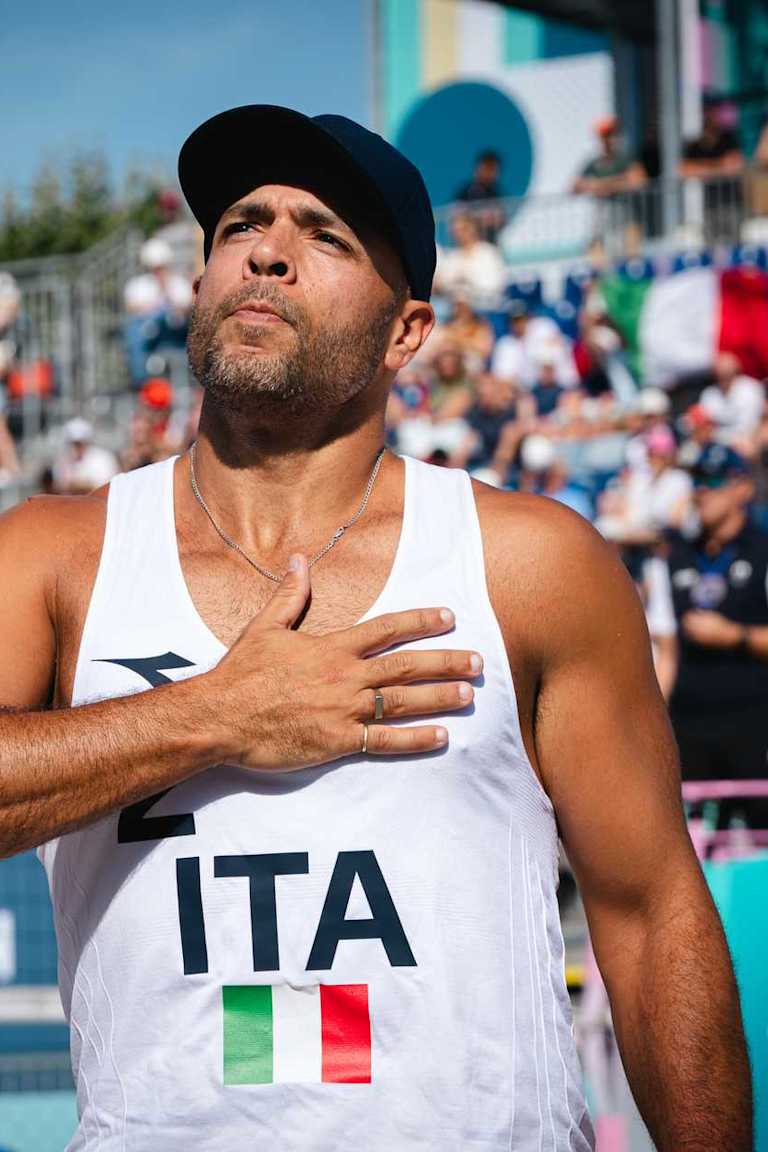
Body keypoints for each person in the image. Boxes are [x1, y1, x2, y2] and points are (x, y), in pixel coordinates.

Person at [0, 104, 749, 1151]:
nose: (268, 251)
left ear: (406, 330)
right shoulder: (50, 552)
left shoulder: (529, 561)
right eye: (240, 227)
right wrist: (215, 718)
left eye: (326, 235)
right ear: (201, 286)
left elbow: (650, 911)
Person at [654, 448, 768, 832]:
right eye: (697, 480)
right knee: (694, 843)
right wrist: (655, 725)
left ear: (742, 488)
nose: (702, 491)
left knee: (757, 841)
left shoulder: (762, 549)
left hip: (753, 724)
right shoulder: (677, 555)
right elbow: (667, 651)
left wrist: (735, 636)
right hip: (691, 724)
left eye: (715, 481)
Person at [123, 237, 194, 386]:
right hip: (148, 331)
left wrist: (166, 289)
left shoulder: (177, 283)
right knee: (135, 329)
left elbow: (185, 307)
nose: (158, 271)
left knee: (164, 318)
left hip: (175, 331)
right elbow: (132, 307)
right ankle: (140, 379)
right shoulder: (139, 285)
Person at [432, 213, 506, 311]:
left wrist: (466, 277)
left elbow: (495, 284)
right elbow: (441, 284)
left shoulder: (488, 253)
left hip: (486, 308)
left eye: (463, 229)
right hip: (456, 311)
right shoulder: (452, 257)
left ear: (473, 229)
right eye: (455, 230)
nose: (459, 234)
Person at [698, 351, 765, 455]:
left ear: (736, 370)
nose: (724, 376)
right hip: (716, 444)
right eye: (721, 374)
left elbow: (755, 423)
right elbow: (704, 427)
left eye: (728, 373)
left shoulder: (751, 389)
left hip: (747, 441)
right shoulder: (709, 394)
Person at [571, 117, 647, 199]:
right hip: (602, 209)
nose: (607, 140)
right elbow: (575, 186)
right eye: (604, 137)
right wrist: (621, 179)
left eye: (611, 135)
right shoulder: (595, 162)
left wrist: (605, 185)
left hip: (623, 207)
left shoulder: (625, 160)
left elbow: (639, 181)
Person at [51, 417, 119, 495]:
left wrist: (77, 485)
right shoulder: (63, 460)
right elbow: (59, 486)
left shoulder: (103, 459)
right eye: (73, 443)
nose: (76, 447)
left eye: (79, 443)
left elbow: (106, 489)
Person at [454, 150, 504, 241]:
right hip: (471, 243)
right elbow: (457, 214)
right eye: (487, 168)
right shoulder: (466, 192)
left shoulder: (497, 194)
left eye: (493, 169)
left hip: (490, 242)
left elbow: (501, 218)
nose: (489, 173)